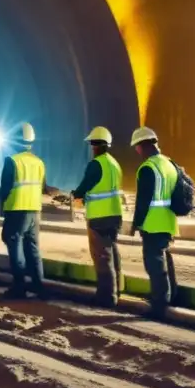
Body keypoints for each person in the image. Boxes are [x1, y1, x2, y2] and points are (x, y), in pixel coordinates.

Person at [71, 126, 124, 307]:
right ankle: (118, 290)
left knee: (102, 257)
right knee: (112, 252)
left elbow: (85, 186)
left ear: (94, 145)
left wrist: (76, 194)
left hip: (99, 217)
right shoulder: (114, 164)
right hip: (115, 215)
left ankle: (107, 297)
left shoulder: (96, 164)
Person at [129, 126, 179, 318]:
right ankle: (170, 296)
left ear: (144, 145)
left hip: (153, 223)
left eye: (137, 146)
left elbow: (143, 200)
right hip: (168, 220)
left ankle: (159, 305)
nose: (136, 151)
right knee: (166, 259)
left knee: (154, 264)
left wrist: (136, 224)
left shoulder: (148, 168)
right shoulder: (169, 164)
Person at [0, 122, 47, 299]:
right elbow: (42, 186)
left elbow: (5, 188)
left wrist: (2, 207)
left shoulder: (11, 161)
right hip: (35, 211)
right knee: (33, 248)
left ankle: (19, 287)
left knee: (15, 246)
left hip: (16, 210)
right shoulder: (39, 163)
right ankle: (38, 284)